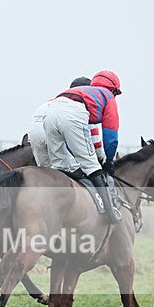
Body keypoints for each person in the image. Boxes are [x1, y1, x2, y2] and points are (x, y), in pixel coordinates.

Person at [43, 70, 123, 224]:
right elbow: (111, 136)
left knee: (60, 166)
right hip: (73, 114)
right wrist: (109, 162)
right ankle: (110, 212)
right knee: (92, 165)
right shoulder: (108, 97)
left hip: (50, 113)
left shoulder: (81, 91)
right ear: (113, 90)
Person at [28, 76, 91, 168]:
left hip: (35, 132)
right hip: (52, 129)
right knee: (72, 170)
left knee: (45, 172)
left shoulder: (56, 100)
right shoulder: (81, 105)